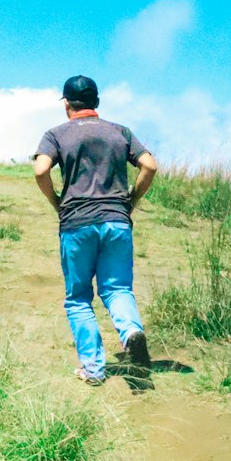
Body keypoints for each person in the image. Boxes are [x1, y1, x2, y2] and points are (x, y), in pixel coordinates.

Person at [33, 75, 158, 385]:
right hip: (117, 221)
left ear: (66, 104)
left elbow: (40, 170)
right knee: (117, 289)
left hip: (77, 223)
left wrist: (57, 203)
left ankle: (93, 370)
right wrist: (130, 201)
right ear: (96, 103)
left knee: (78, 299)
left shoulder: (56, 134)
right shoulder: (120, 132)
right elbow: (149, 166)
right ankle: (131, 332)